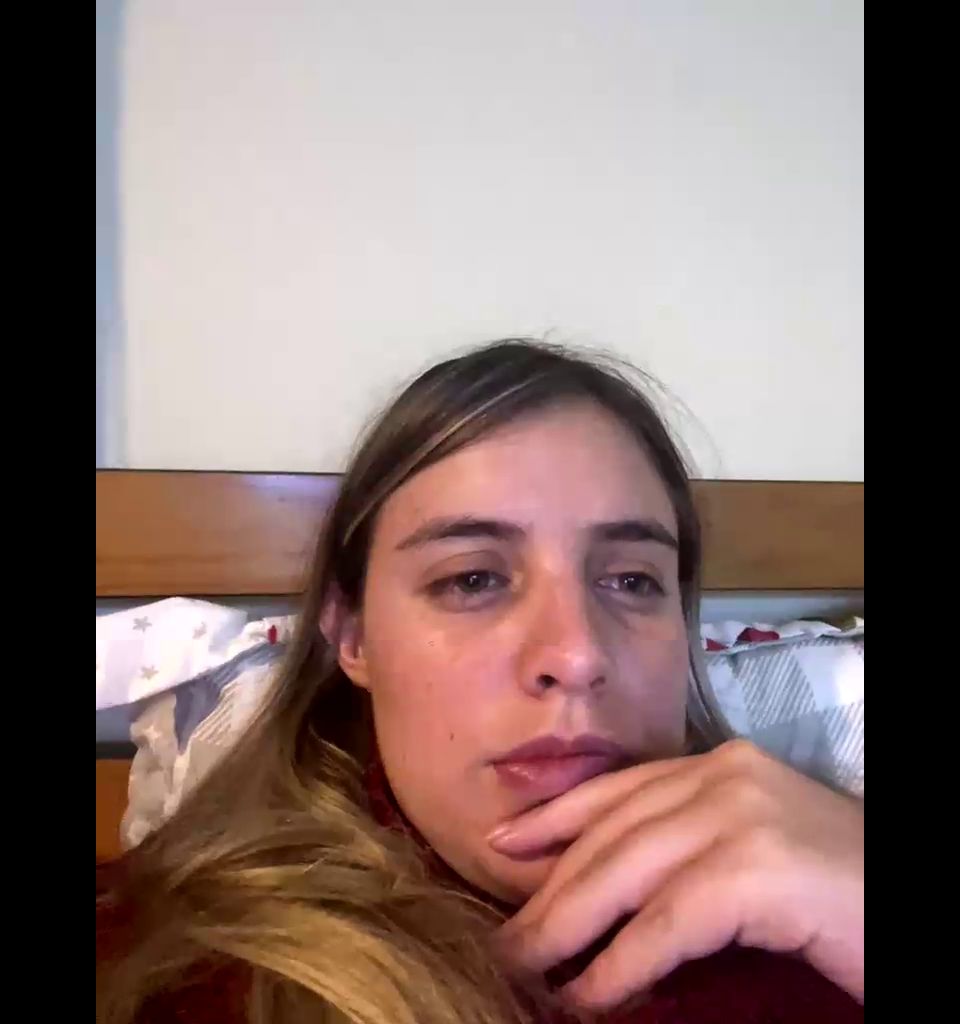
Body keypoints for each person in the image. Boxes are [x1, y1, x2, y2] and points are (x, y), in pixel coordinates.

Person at [97, 339, 864, 1024]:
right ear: (352, 634)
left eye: (632, 581)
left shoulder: (826, 888)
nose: (577, 654)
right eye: (472, 580)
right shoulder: (167, 963)